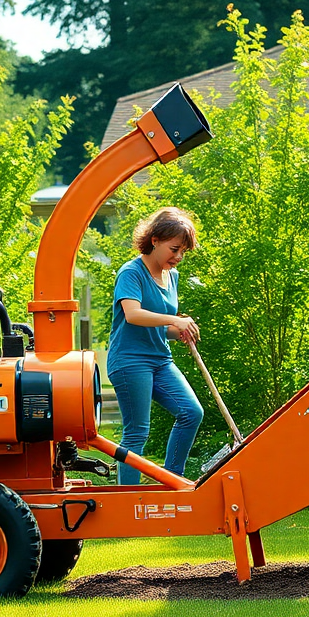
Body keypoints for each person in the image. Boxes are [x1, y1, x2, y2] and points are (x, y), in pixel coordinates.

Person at [106, 207, 205, 484]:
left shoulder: (171, 276)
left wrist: (178, 331)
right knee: (137, 432)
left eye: (183, 251)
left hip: (160, 359)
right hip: (129, 361)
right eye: (174, 249)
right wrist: (175, 319)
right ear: (155, 240)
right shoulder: (131, 272)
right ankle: (127, 503)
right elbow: (133, 314)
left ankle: (173, 483)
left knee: (191, 412)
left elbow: (161, 327)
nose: (179, 257)